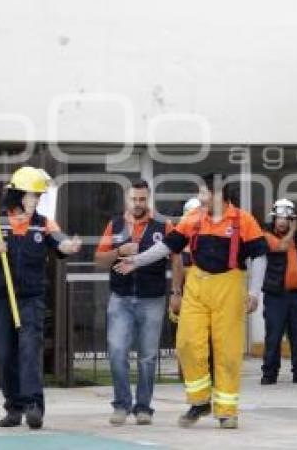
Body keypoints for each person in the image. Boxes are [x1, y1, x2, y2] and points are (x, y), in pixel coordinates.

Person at [116, 173, 268, 429]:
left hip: (229, 286)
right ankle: (199, 402)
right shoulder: (193, 219)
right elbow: (166, 247)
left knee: (228, 351)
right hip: (196, 284)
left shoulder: (243, 220)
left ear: (219, 195)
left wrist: (254, 292)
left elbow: (260, 257)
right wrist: (137, 261)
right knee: (187, 343)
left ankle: (227, 411)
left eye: (204, 193)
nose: (200, 198)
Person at [0, 166, 81, 430]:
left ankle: (33, 406)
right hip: (0, 297)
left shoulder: (43, 224)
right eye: (34, 195)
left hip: (31, 297)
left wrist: (69, 246)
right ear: (19, 195)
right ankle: (13, 407)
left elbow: (60, 243)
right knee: (6, 352)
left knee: (29, 349)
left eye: (39, 197)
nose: (37, 201)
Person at [94, 180, 176, 426]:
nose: (138, 204)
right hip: (120, 299)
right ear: (127, 200)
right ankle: (121, 404)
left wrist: (177, 291)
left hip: (153, 299)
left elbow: (177, 260)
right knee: (117, 351)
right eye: (134, 199)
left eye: (142, 199)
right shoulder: (115, 224)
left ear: (148, 199)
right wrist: (120, 251)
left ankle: (143, 408)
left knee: (148, 357)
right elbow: (99, 260)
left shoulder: (163, 226)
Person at [260, 199, 297, 385]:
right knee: (273, 336)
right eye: (279, 218)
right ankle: (269, 373)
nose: (282, 222)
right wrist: (292, 230)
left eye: (287, 219)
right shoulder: (267, 236)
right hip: (276, 296)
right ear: (274, 219)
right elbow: (281, 246)